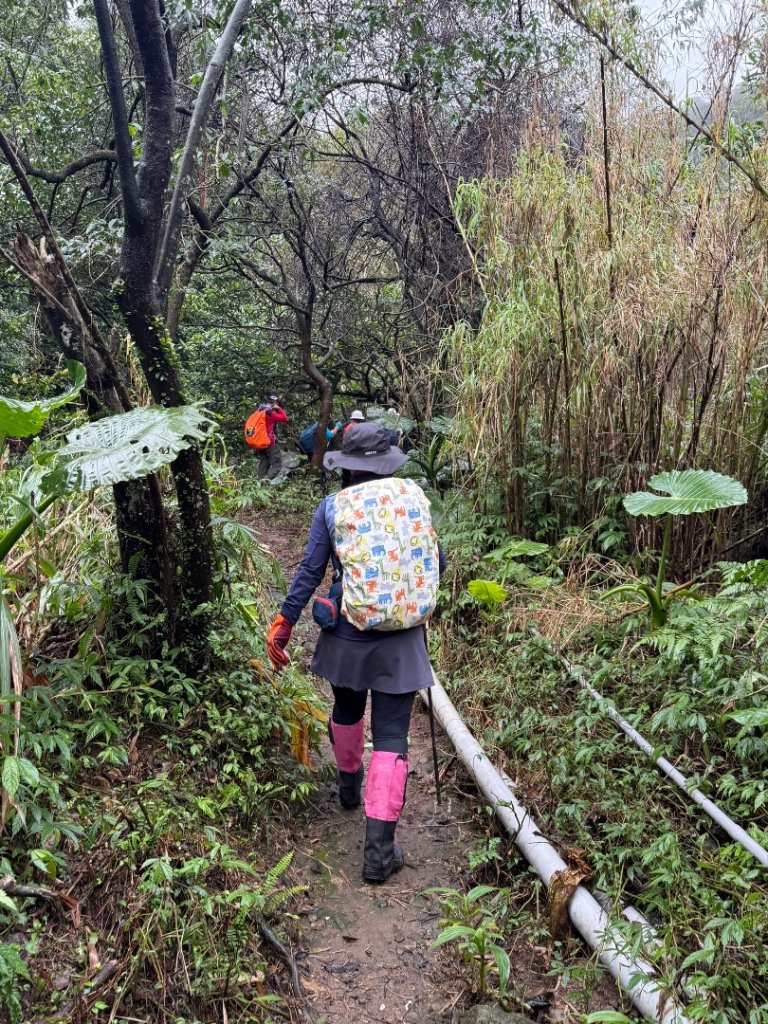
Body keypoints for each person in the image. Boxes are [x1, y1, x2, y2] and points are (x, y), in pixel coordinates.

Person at [266, 423, 443, 884]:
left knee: (346, 709)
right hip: (401, 640)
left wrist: (284, 623)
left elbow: (310, 570)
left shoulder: (331, 507)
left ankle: (348, 789)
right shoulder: (412, 502)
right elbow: (435, 563)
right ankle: (378, 854)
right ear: (386, 464)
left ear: (347, 467)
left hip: (347, 634)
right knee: (391, 738)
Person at [257, 395, 288, 480]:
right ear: (273, 404)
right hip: (269, 442)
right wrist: (278, 408)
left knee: (264, 462)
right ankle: (266, 482)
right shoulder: (270, 413)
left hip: (260, 441)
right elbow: (284, 418)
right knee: (277, 464)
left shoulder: (259, 411)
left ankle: (259, 482)